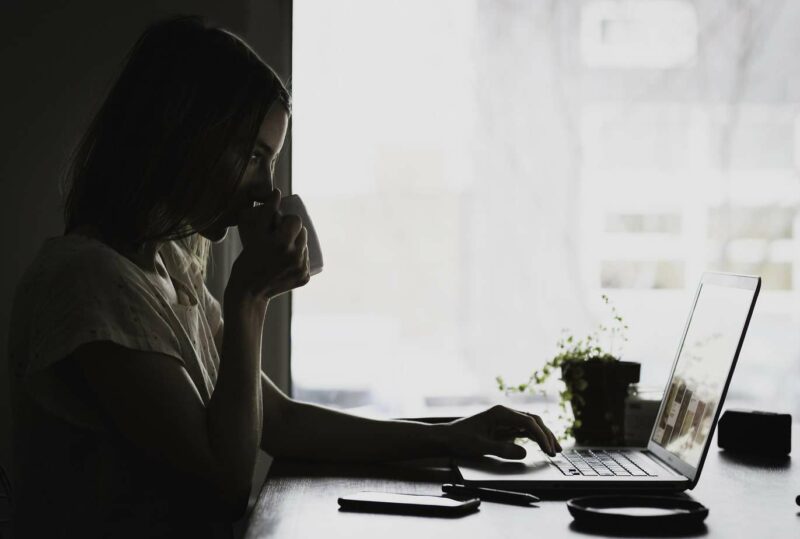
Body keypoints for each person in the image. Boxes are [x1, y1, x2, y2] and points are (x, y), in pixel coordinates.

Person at [8, 14, 561, 538]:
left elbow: (278, 420)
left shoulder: (168, 269)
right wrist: (250, 297)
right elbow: (223, 479)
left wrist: (453, 435)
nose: (267, 190)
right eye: (253, 156)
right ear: (182, 137)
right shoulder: (90, 283)